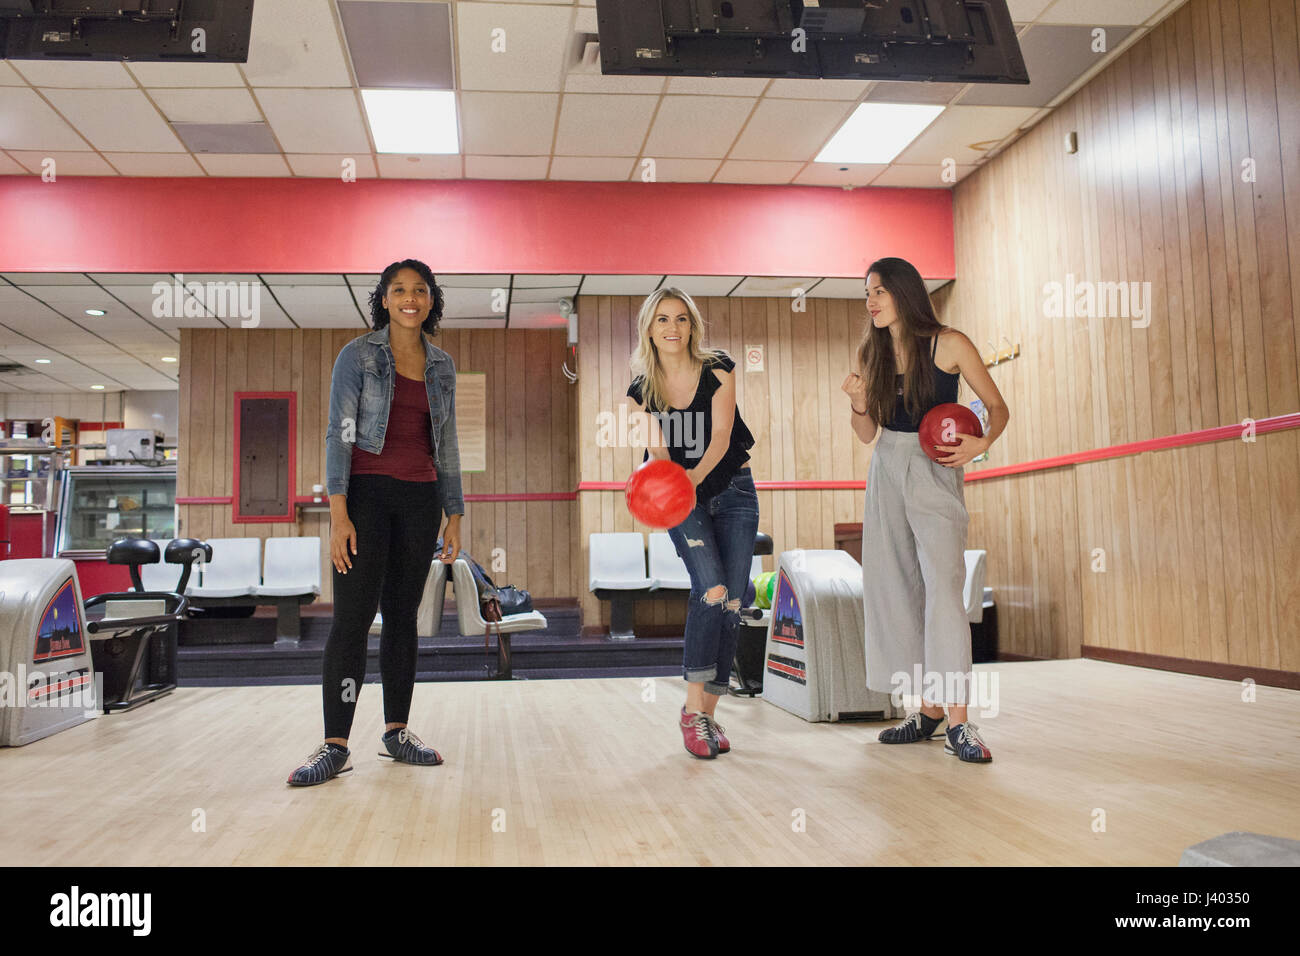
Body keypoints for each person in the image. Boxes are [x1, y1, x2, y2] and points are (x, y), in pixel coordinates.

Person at [288, 259, 464, 786]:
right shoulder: (357, 355)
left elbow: (448, 444)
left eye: (420, 290)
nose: (410, 298)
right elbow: (337, 434)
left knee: (403, 619)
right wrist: (338, 512)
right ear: (383, 299)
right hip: (364, 498)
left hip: (420, 500)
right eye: (399, 290)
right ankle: (334, 743)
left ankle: (396, 731)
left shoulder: (443, 367)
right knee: (352, 619)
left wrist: (454, 512)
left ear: (431, 300)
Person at [842, 257, 1009, 763]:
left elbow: (997, 407)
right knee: (894, 586)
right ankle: (927, 708)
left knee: (943, 589)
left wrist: (978, 445)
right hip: (886, 465)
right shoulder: (870, 353)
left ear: (904, 292)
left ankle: (959, 720)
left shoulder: (949, 343)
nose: (870, 301)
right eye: (866, 293)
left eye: (878, 291)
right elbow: (869, 434)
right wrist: (855, 404)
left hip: (934, 465)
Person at [626, 288, 758, 759]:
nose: (673, 328)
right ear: (650, 329)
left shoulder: (718, 366)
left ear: (691, 326)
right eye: (662, 320)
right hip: (680, 503)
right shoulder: (641, 392)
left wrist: (694, 479)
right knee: (711, 588)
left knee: (734, 601)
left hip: (734, 490)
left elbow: (721, 435)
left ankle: (709, 715)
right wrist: (679, 488)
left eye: (681, 319)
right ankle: (691, 711)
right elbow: (658, 456)